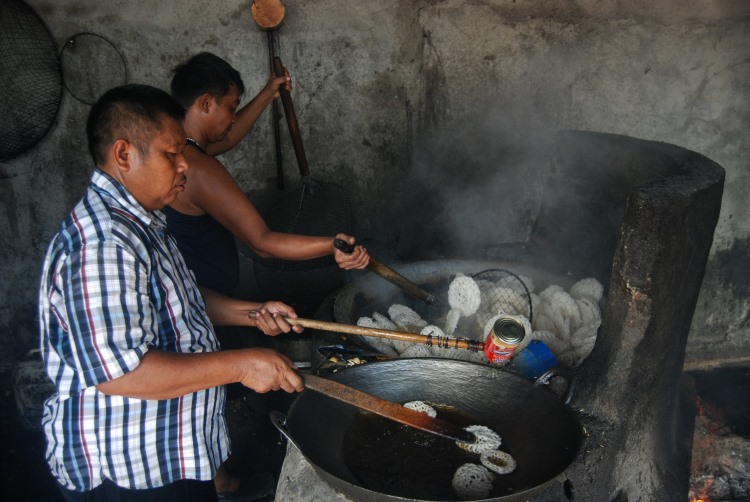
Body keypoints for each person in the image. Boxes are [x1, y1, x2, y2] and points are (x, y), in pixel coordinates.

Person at [38, 84, 304, 502]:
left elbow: (176, 298)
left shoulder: (141, 221)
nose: (184, 166)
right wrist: (241, 365)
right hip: (127, 469)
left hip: (167, 452)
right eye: (170, 154)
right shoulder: (102, 244)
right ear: (124, 155)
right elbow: (121, 373)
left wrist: (252, 312)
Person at [164, 51, 370, 301]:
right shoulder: (200, 169)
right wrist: (332, 245)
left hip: (191, 292)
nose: (232, 118)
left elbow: (228, 138)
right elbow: (261, 242)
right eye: (232, 107)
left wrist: (269, 92)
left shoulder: (179, 150)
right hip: (205, 302)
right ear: (206, 103)